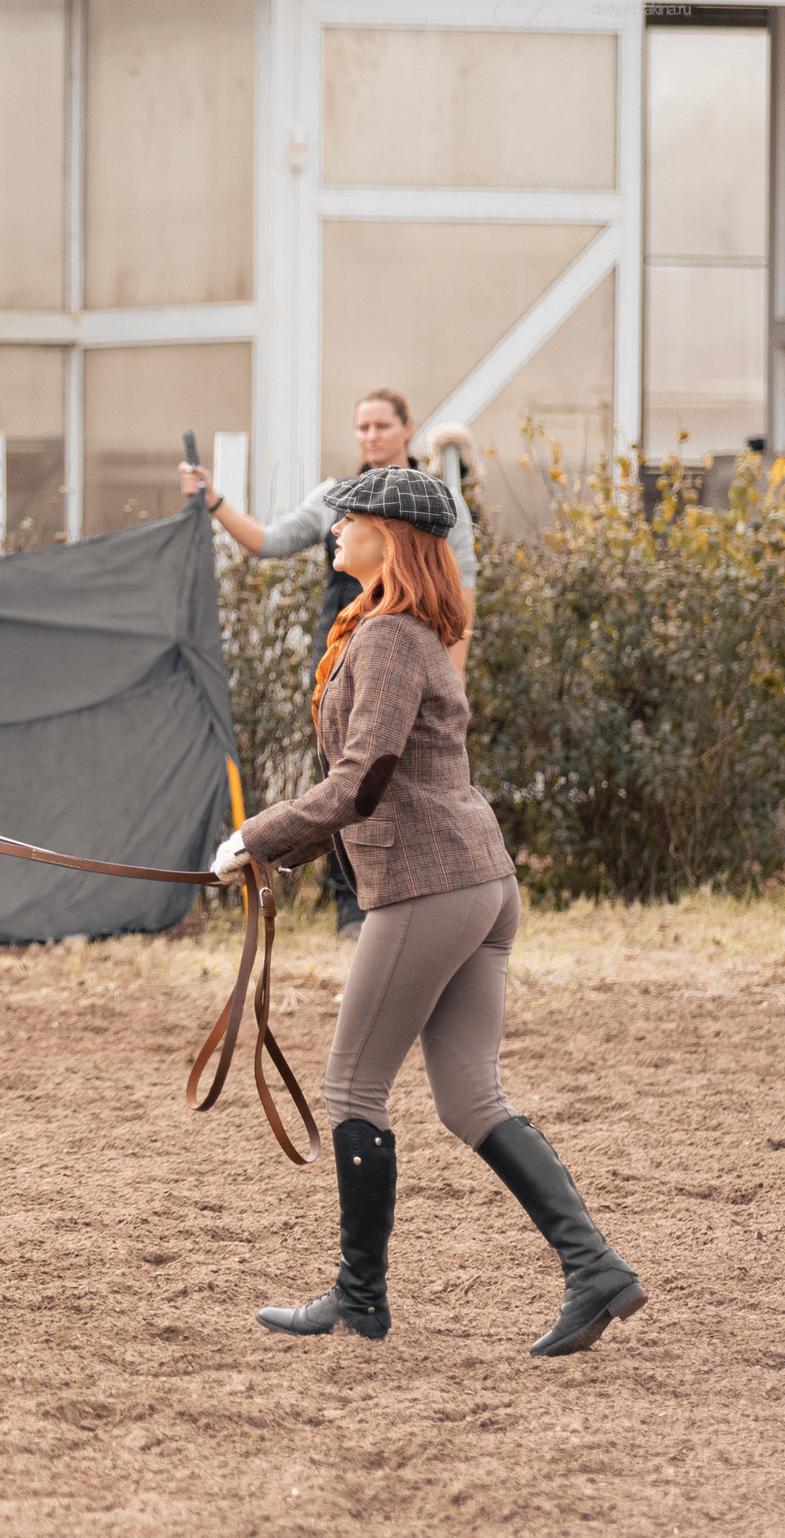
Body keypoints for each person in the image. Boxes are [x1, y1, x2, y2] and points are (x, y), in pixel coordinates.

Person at [209, 467, 643, 1358]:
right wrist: (272, 850)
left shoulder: (389, 636)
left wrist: (257, 834)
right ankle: (595, 1266)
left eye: (349, 517)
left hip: (429, 884)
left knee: (352, 1088)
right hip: (478, 881)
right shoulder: (399, 632)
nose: (334, 528)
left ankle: (359, 1298)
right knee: (470, 1096)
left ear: (391, 536)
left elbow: (362, 778)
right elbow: (377, 782)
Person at [181, 391, 476, 939]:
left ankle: (398, 899)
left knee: (379, 779)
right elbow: (270, 542)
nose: (370, 436)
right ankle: (353, 908)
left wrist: (254, 839)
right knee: (350, 775)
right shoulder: (337, 497)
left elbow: (464, 587)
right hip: (344, 658)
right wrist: (213, 501)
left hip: (396, 670)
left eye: (381, 425)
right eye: (362, 426)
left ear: (407, 428)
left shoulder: (432, 509)